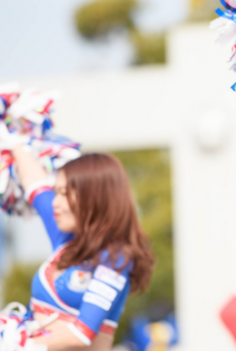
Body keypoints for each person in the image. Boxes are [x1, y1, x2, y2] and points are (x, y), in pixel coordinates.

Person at [11, 146, 155, 350]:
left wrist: (11, 345)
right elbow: (35, 183)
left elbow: (82, 334)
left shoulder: (115, 257)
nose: (55, 203)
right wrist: (10, 140)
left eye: (64, 193)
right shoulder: (65, 239)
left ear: (94, 197)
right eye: (56, 192)